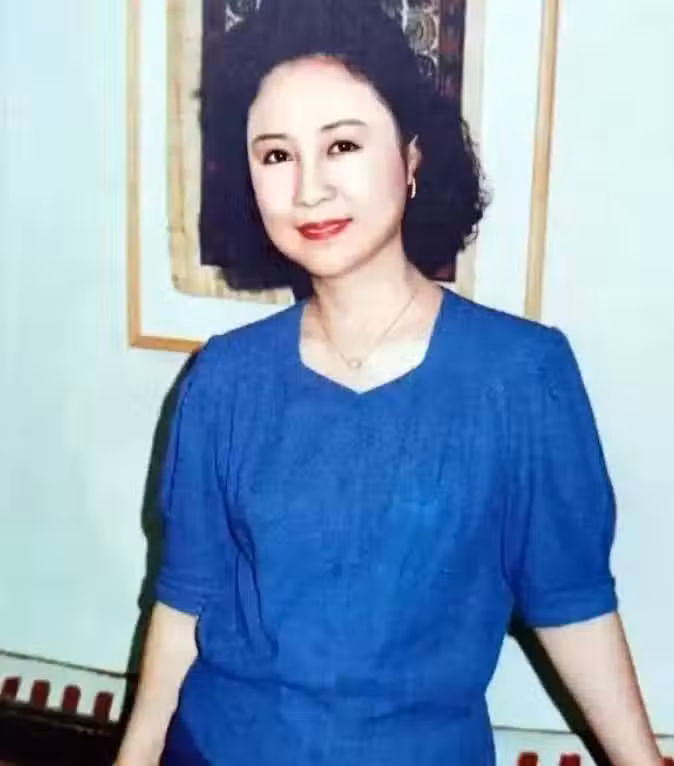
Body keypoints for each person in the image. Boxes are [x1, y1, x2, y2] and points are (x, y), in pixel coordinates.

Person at [116, 0, 663, 763]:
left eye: (341, 144)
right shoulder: (224, 378)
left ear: (411, 159)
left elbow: (572, 602)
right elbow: (185, 602)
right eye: (275, 156)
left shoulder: (521, 375)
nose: (308, 189)